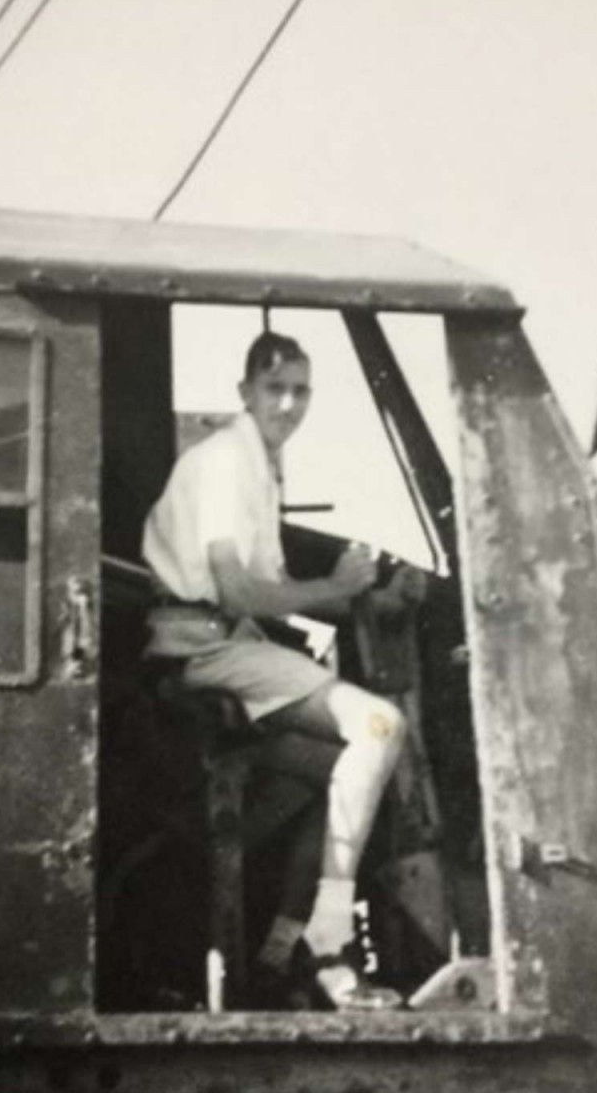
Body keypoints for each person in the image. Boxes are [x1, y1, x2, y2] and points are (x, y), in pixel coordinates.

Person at [142, 330, 423, 1010]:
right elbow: (238, 593)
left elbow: (268, 593)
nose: (289, 404)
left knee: (345, 774)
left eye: (300, 391)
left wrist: (364, 594)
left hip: (220, 641)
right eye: (275, 388)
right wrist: (333, 587)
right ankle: (330, 936)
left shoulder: (258, 464)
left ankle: (283, 951)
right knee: (382, 727)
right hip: (201, 649)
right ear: (245, 392)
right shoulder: (224, 462)